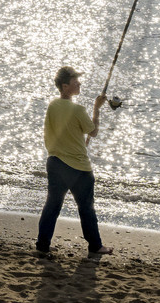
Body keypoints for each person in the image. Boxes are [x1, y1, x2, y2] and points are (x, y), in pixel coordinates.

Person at [35, 65, 113, 256]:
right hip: (78, 168)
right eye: (75, 81)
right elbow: (93, 131)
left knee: (52, 205)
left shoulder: (52, 105)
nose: (79, 83)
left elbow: (63, 131)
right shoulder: (78, 109)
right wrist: (97, 108)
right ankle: (95, 246)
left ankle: (42, 245)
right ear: (64, 86)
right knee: (86, 207)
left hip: (55, 162)